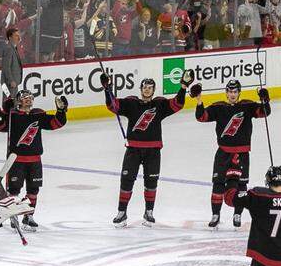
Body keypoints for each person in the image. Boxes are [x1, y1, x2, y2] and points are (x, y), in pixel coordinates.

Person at [103, 74, 186, 228]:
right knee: (126, 181)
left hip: (153, 151)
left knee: (151, 182)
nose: (147, 90)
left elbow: (177, 104)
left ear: (154, 90)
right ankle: (122, 212)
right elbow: (113, 106)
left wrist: (183, 88)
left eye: (150, 88)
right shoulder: (131, 102)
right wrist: (107, 89)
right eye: (145, 87)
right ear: (141, 89)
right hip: (133, 150)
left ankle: (149, 212)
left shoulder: (159, 104)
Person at [194, 79, 271, 229]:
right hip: (223, 153)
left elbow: (264, 112)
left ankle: (238, 214)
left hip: (242, 154)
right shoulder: (219, 107)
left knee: (241, 185)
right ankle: (215, 215)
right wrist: (198, 100)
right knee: (218, 184)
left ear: (239, 93)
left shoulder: (247, 106)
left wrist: (265, 100)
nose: (232, 94)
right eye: (230, 92)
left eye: (235, 92)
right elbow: (201, 117)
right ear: (226, 93)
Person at [0, 89, 68, 231]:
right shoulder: (12, 115)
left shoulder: (37, 114)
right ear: (19, 101)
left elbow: (55, 123)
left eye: (30, 97)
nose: (28, 99)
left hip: (35, 160)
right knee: (14, 191)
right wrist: (4, 111)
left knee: (33, 190)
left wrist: (61, 111)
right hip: (16, 160)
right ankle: (14, 217)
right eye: (25, 97)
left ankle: (29, 216)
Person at [0, 28, 24, 98]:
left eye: (19, 35)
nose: (19, 38)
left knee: (12, 102)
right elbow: (6, 67)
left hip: (13, 82)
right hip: (9, 83)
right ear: (10, 38)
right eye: (16, 36)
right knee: (9, 102)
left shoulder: (13, 48)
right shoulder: (9, 49)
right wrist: (11, 80)